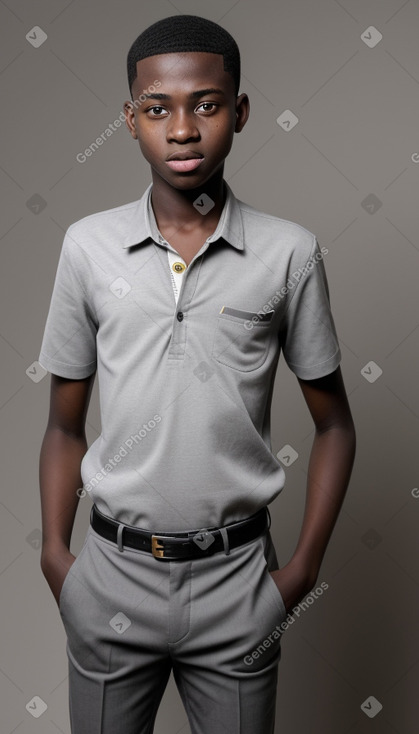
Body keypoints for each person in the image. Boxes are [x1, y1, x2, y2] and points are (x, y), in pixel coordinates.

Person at [38, 14, 356, 734]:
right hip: (111, 577)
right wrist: (60, 561)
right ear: (130, 119)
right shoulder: (87, 248)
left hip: (237, 583)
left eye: (206, 105)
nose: (182, 129)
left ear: (238, 112)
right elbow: (62, 425)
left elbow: (334, 424)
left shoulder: (288, 254)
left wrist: (299, 573)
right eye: (158, 109)